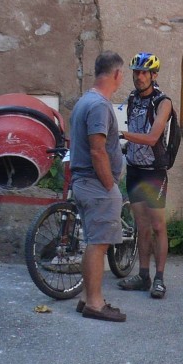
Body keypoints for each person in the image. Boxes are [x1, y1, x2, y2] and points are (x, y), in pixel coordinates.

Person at [69, 51, 127, 322]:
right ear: (116, 74)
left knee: (93, 242)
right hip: (96, 185)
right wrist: (109, 185)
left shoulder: (85, 101)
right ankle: (95, 303)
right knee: (100, 244)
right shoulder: (100, 106)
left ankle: (86, 298)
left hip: (83, 182)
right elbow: (97, 150)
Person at [117, 52, 172, 299]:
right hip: (135, 169)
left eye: (144, 72)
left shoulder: (163, 102)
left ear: (154, 75)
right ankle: (143, 275)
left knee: (159, 226)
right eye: (136, 72)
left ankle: (159, 279)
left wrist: (120, 134)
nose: (139, 77)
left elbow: (152, 138)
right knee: (142, 226)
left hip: (154, 173)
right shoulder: (132, 98)